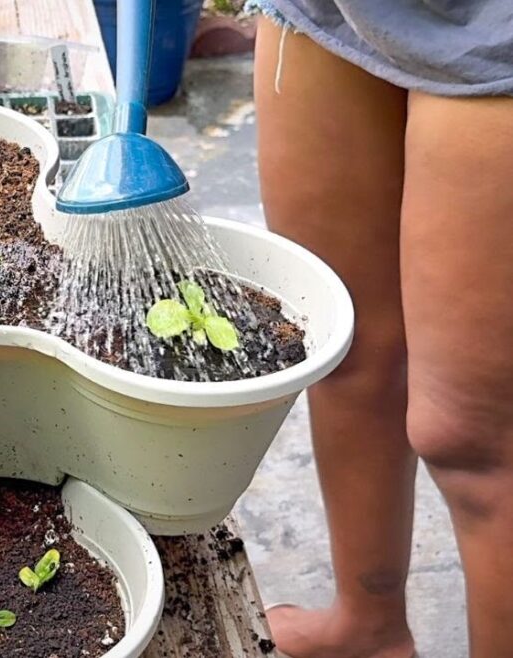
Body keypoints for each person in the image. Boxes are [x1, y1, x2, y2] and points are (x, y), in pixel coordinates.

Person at [247, 2, 513, 657]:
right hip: (334, 13)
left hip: (491, 33)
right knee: (342, 344)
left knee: (479, 447)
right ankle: (368, 629)